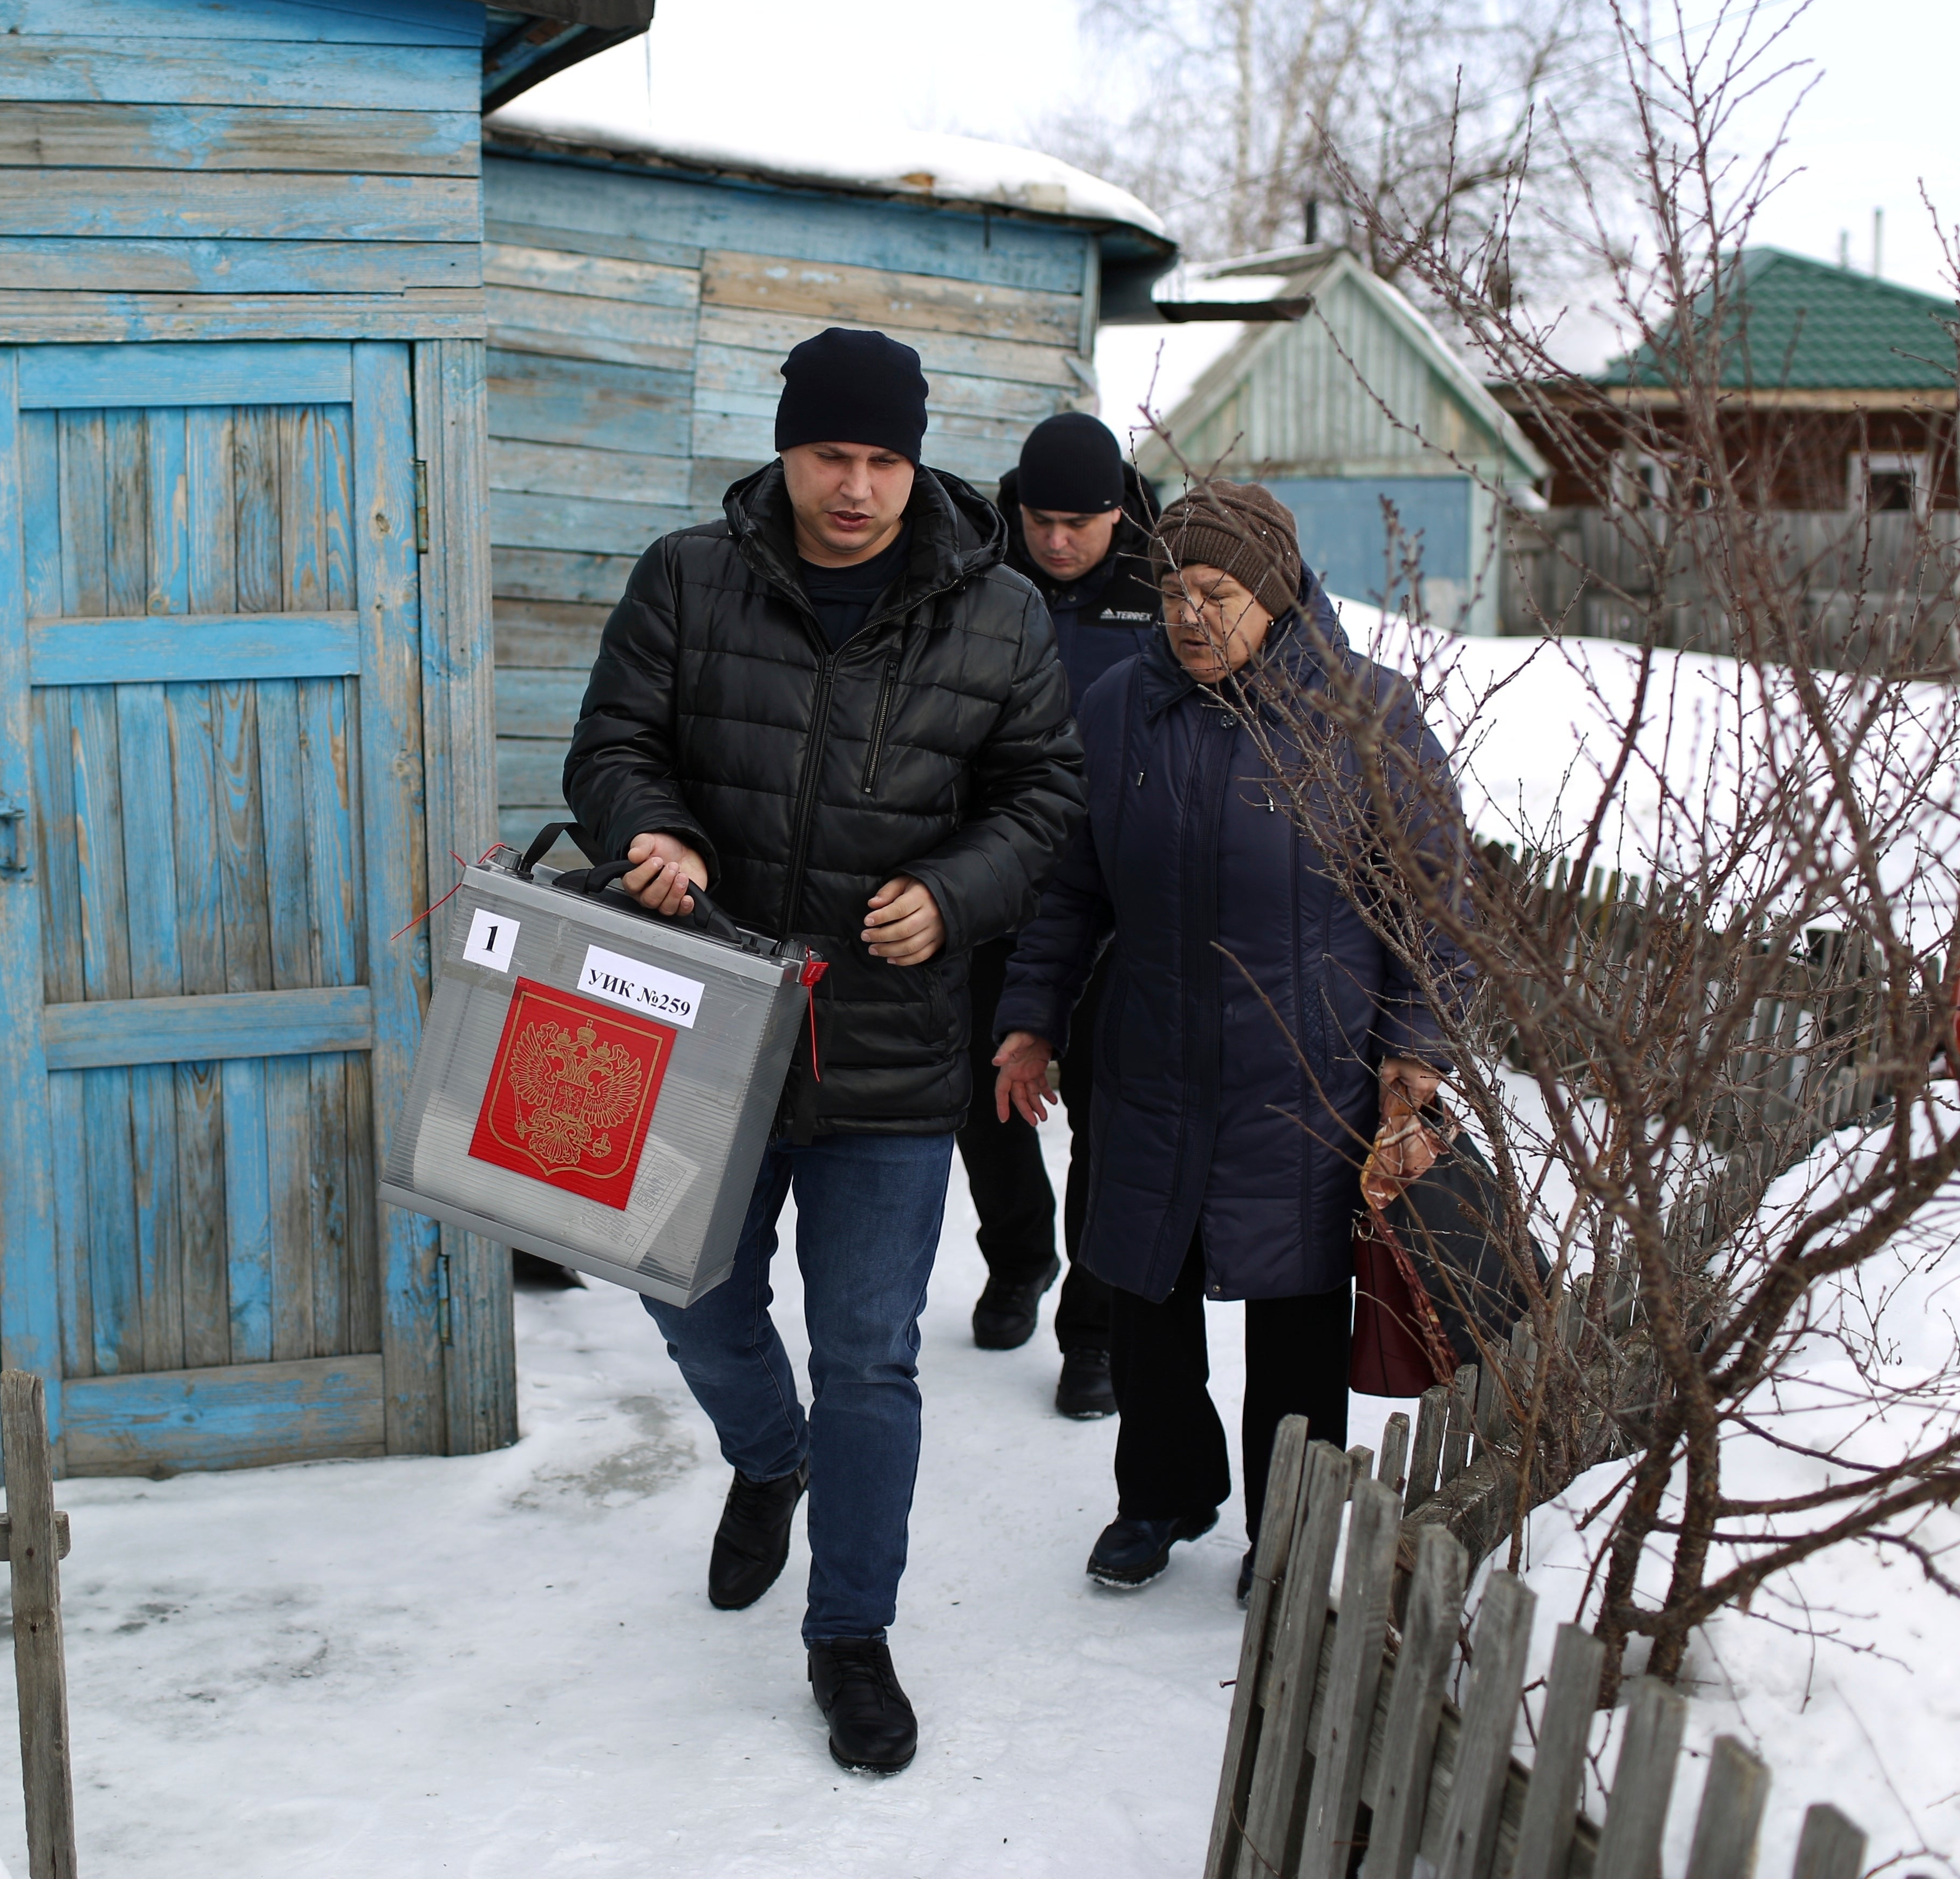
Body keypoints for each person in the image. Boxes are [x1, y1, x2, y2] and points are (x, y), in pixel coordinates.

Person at [562, 327, 1084, 1773]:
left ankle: (850, 1635)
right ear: (784, 446)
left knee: (871, 1362)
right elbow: (612, 743)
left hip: (892, 1054)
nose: (855, 489)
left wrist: (959, 892)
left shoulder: (995, 614)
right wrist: (642, 828)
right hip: (707, 1025)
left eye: (883, 461)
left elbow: (1045, 799)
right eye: (829, 456)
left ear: (917, 463)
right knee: (687, 1293)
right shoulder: (688, 576)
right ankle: (766, 1455)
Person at [990, 481, 1472, 1597]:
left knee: (1297, 1317)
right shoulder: (1118, 708)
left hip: (1305, 1069)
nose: (1190, 614)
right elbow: (1071, 888)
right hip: (1151, 1054)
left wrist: (1415, 1051)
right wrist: (1031, 1020)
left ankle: (1290, 1529)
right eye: (1171, 590)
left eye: (1216, 592)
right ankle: (1161, 1495)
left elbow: (1432, 902)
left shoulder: (1367, 715)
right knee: (1144, 1289)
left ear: (1277, 594)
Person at [955, 412, 1162, 1422]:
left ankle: (1094, 1332)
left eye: (1081, 524)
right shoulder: (975, 565)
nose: (1059, 542)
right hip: (992, 876)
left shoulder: (1165, 586)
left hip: (1116, 900)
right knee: (977, 1089)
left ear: (1120, 513)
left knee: (1105, 1118)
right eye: (1043, 520)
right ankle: (1019, 1256)